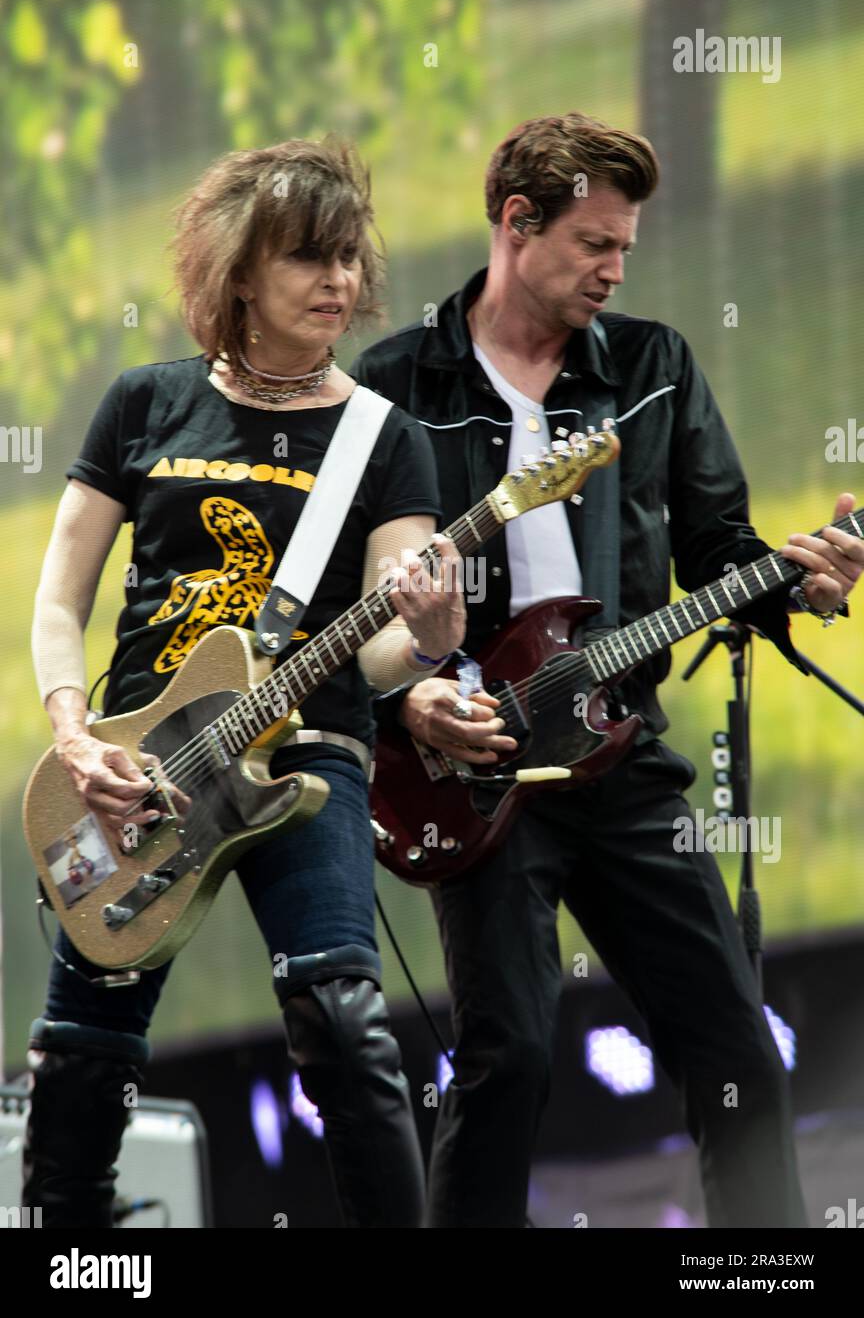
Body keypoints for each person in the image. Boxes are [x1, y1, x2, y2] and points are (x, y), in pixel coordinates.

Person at [350, 111, 863, 1228]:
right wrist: (410, 705)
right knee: (510, 1057)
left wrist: (802, 579)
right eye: (595, 243)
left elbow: (719, 550)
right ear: (516, 226)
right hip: (480, 769)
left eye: (625, 247)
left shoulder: (652, 364)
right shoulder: (394, 385)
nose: (615, 270)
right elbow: (358, 609)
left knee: (736, 1049)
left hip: (622, 755)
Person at [24, 136, 467, 1229]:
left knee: (345, 1019)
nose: (340, 282)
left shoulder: (384, 437)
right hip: (136, 759)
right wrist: (79, 741)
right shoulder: (144, 404)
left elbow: (375, 653)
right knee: (85, 1051)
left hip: (307, 752)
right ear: (238, 277)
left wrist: (428, 637)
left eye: (350, 257)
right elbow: (57, 602)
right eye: (309, 259)